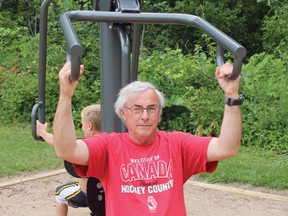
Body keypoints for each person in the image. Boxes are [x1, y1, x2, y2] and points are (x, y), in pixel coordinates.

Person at [53, 61, 242, 215]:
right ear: (123, 113)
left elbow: (227, 148)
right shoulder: (109, 146)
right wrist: (66, 95)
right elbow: (66, 150)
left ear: (159, 114)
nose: (145, 115)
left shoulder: (177, 144)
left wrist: (231, 95)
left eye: (152, 108)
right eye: (137, 109)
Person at [36, 104, 101, 216]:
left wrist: (43, 133)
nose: (82, 127)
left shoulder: (85, 146)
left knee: (59, 193)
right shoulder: (111, 141)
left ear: (89, 125)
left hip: (86, 195)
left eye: (82, 124)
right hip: (108, 193)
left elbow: (62, 144)